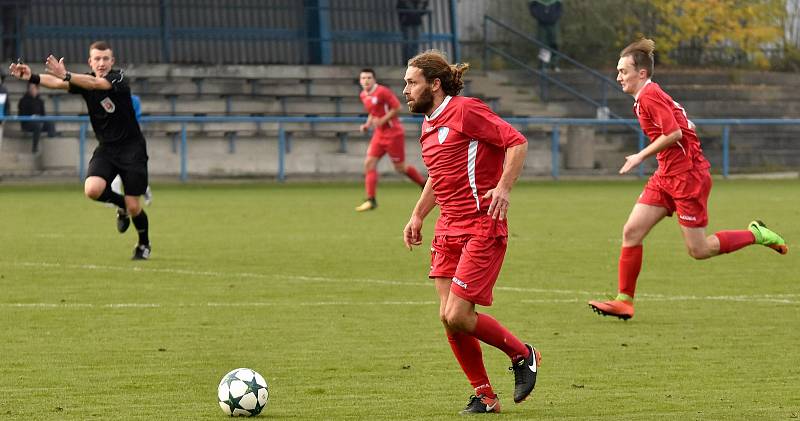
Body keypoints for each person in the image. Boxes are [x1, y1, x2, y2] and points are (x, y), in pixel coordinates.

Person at [587, 38, 788, 321]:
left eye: (623, 71)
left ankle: (757, 234)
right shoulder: (646, 97)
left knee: (699, 249)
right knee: (631, 231)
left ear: (641, 73)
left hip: (688, 177)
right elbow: (679, 129)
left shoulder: (648, 95)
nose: (618, 76)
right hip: (666, 175)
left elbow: (674, 134)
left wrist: (639, 156)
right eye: (618, 71)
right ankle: (624, 301)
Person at [402, 50, 540, 414]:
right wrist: (417, 216)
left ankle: (522, 354)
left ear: (434, 84)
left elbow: (516, 142)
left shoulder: (466, 110)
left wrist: (505, 188)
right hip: (447, 227)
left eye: (411, 83)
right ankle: (485, 396)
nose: (405, 90)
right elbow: (439, 174)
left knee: (459, 315)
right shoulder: (428, 124)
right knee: (447, 316)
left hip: (482, 224)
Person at [8, 41, 152, 260]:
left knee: (135, 206)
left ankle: (144, 244)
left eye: (105, 59)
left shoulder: (119, 79)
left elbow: (95, 84)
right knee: (92, 189)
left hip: (132, 149)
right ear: (90, 61)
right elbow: (57, 84)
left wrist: (66, 75)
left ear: (112, 61)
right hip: (107, 149)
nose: (102, 63)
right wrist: (32, 77)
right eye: (97, 59)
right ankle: (120, 205)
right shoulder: (83, 79)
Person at [355, 68, 426, 211]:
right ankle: (371, 200)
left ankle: (424, 185)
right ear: (360, 81)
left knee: (400, 168)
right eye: (363, 78)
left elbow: (397, 107)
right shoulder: (363, 95)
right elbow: (373, 112)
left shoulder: (382, 92)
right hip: (379, 134)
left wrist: (382, 120)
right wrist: (367, 125)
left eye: (369, 78)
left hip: (393, 133)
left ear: (374, 79)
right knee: (369, 163)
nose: (366, 81)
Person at [111, 93, 152, 206]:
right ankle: (118, 201)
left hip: (131, 141)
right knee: (117, 172)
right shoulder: (113, 99)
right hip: (116, 140)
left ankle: (145, 189)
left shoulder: (134, 100)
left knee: (132, 172)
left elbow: (135, 118)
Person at [17, 82, 56, 153]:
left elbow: (43, 114)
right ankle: (34, 148)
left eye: (35, 88)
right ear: (28, 89)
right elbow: (21, 114)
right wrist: (31, 117)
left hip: (39, 121)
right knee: (37, 125)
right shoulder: (23, 100)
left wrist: (39, 117)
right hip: (27, 123)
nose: (33, 90)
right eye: (32, 88)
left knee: (50, 123)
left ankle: (51, 145)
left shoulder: (40, 101)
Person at [528, 0, 563, 71]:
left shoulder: (557, 2)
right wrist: (540, 16)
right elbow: (532, 8)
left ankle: (554, 64)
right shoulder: (536, 2)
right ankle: (544, 65)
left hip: (553, 23)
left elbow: (560, 9)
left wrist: (554, 17)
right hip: (542, 24)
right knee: (543, 44)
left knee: (554, 43)